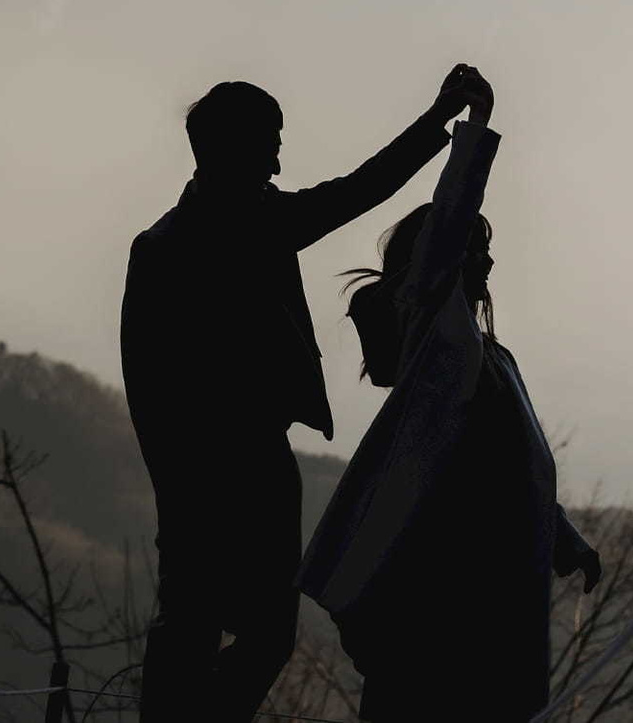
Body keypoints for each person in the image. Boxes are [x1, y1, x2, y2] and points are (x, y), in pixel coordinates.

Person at [120, 64, 488, 723]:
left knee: (232, 632)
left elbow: (363, 186)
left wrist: (440, 122)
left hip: (239, 465)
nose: (280, 156)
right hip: (219, 470)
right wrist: (439, 121)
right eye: (271, 141)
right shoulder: (197, 241)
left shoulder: (206, 233)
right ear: (235, 147)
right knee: (217, 631)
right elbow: (361, 189)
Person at [297, 74, 601, 722]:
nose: (486, 262)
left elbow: (512, 463)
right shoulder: (440, 337)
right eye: (474, 248)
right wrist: (472, 131)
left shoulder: (491, 359)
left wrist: (564, 538)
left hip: (485, 598)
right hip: (443, 600)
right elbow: (445, 231)